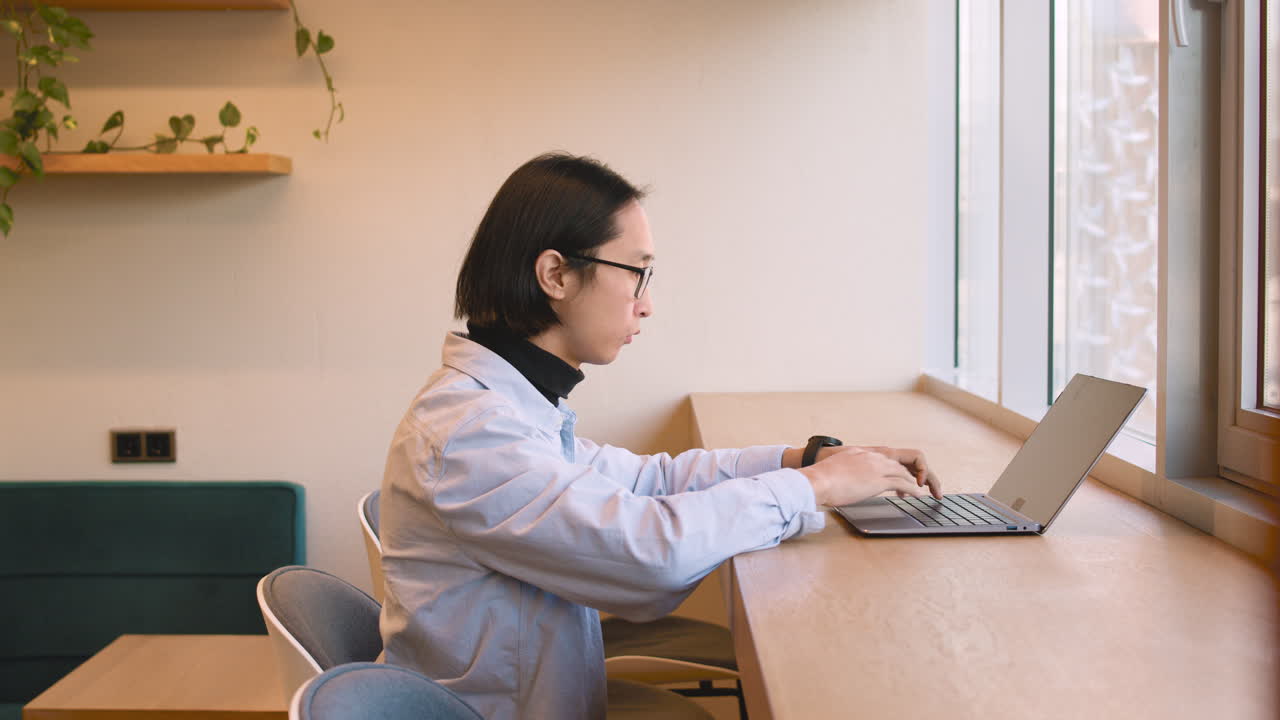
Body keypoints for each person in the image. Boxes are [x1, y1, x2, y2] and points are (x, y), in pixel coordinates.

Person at [379, 152, 943, 719]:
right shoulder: (473, 435)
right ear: (555, 275)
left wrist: (805, 460)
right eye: (637, 273)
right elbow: (649, 555)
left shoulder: (509, 409)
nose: (646, 305)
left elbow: (652, 481)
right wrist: (816, 487)